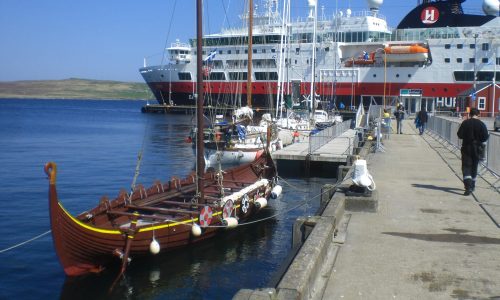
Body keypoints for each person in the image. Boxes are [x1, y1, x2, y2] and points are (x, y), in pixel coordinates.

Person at [457, 108, 489, 195]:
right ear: (478, 114)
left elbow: (459, 135)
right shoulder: (481, 124)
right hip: (477, 148)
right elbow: (485, 137)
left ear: (470, 114)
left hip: (466, 147)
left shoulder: (465, 123)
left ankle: (468, 187)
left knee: (466, 167)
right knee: (474, 167)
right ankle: (473, 185)